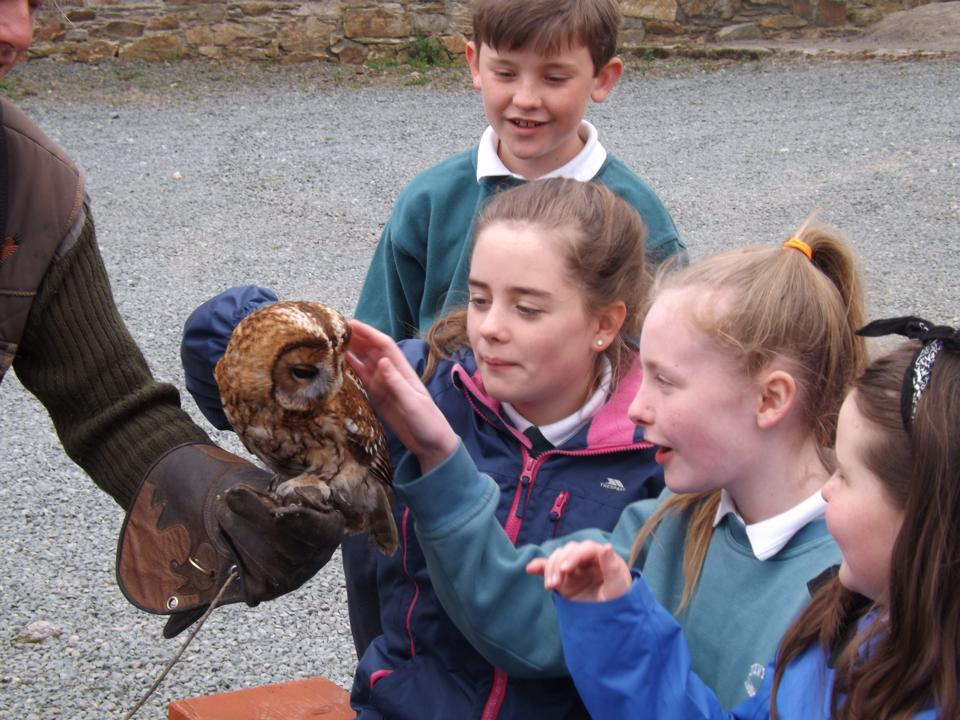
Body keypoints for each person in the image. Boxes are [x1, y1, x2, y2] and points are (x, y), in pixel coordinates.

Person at [180, 178, 665, 718]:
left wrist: (438, 456)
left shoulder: (656, 451)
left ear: (603, 324)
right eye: (480, 299)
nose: (492, 328)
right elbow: (217, 354)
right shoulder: (423, 383)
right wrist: (262, 339)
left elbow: (547, 637)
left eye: (527, 309)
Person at [346, 223, 868, 709]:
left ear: (770, 399)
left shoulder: (860, 576)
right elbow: (522, 620)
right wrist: (439, 453)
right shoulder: (671, 518)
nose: (637, 407)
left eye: (665, 381)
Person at [0, 0, 342, 639]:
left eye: (31, 3)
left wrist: (224, 501)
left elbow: (109, 405)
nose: (17, 29)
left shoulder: (31, 189)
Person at [540, 319, 959, 719]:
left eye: (846, 476)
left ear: (926, 515)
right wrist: (614, 618)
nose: (827, 490)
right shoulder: (833, 627)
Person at [353, 0, 685, 342]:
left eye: (554, 77)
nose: (526, 99)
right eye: (506, 73)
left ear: (602, 78)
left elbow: (671, 359)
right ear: (475, 65)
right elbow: (376, 345)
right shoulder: (428, 201)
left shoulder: (640, 218)